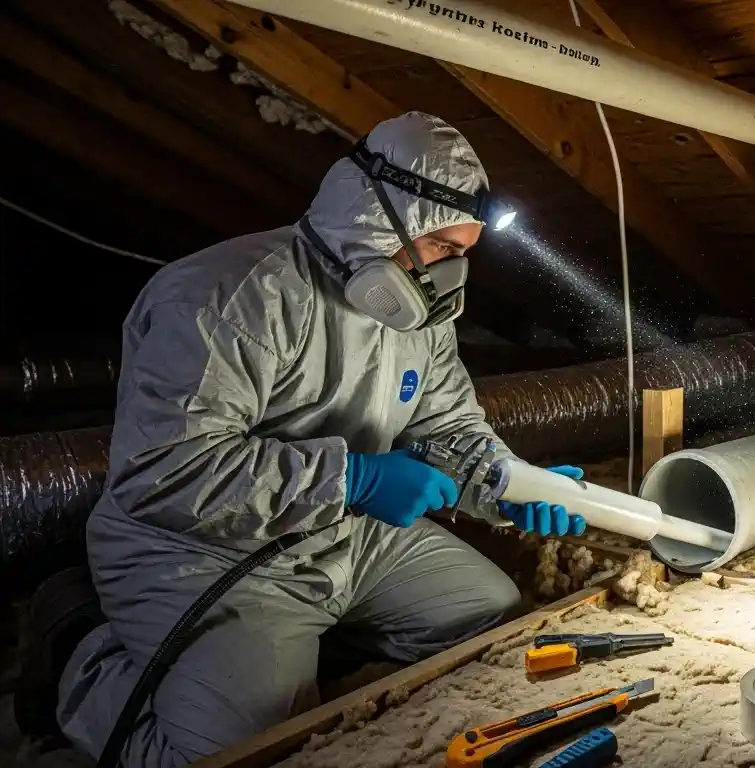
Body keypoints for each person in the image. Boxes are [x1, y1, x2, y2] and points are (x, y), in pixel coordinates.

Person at [17, 112, 588, 766]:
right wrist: (356, 479)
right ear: (383, 220)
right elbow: (167, 472)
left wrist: (509, 486)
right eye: (444, 251)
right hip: (202, 548)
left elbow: (449, 425)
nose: (450, 277)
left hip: (343, 532)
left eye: (463, 257)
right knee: (242, 751)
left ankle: (289, 649)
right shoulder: (225, 297)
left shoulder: (419, 320)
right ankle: (76, 654)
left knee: (489, 615)